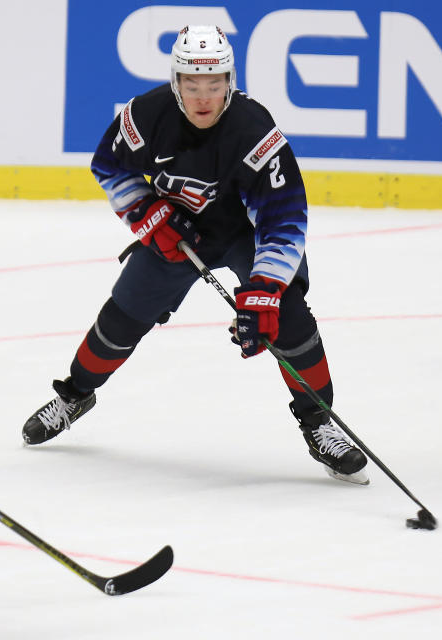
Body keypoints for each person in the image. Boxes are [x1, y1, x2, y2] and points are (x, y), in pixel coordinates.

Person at [21, 25, 369, 485]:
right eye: (192, 83)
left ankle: (320, 421)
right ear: (176, 81)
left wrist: (263, 290)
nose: (203, 96)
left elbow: (283, 223)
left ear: (230, 80)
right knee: (121, 320)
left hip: (246, 237)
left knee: (286, 313)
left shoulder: (255, 131)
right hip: (178, 236)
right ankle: (76, 394)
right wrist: (146, 212)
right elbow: (108, 164)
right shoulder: (146, 117)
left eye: (214, 83)